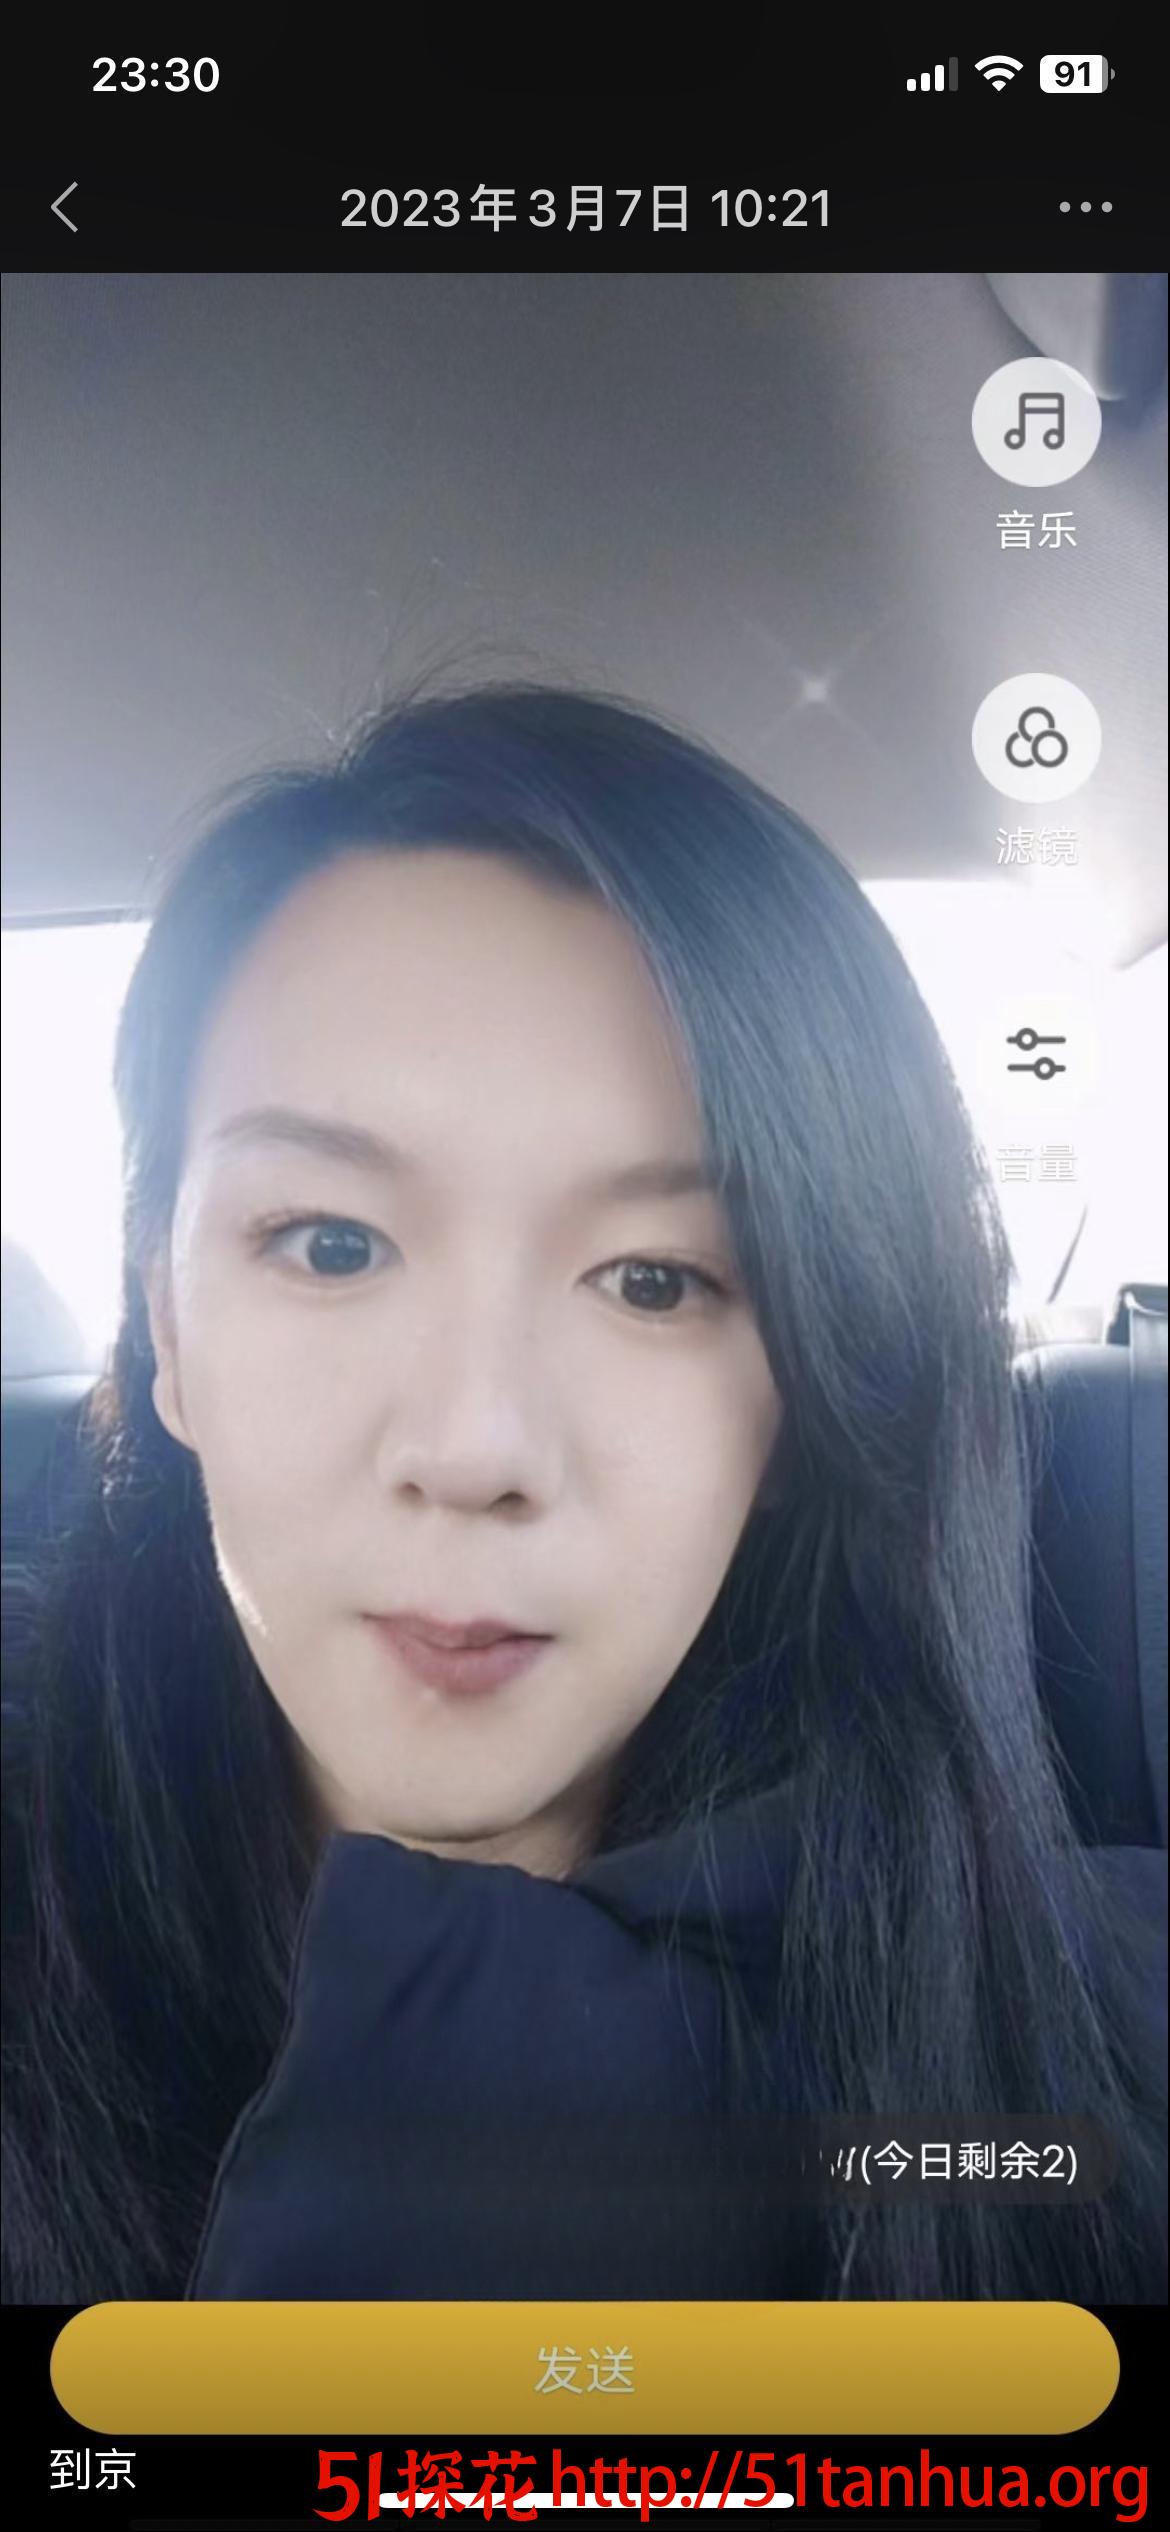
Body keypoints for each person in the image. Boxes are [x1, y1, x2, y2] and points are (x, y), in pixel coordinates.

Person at [2, 670, 1165, 2304]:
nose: (475, 1446)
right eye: (329, 1244)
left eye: (654, 1281)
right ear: (169, 1332)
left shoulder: (1070, 2042)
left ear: (803, 1402)